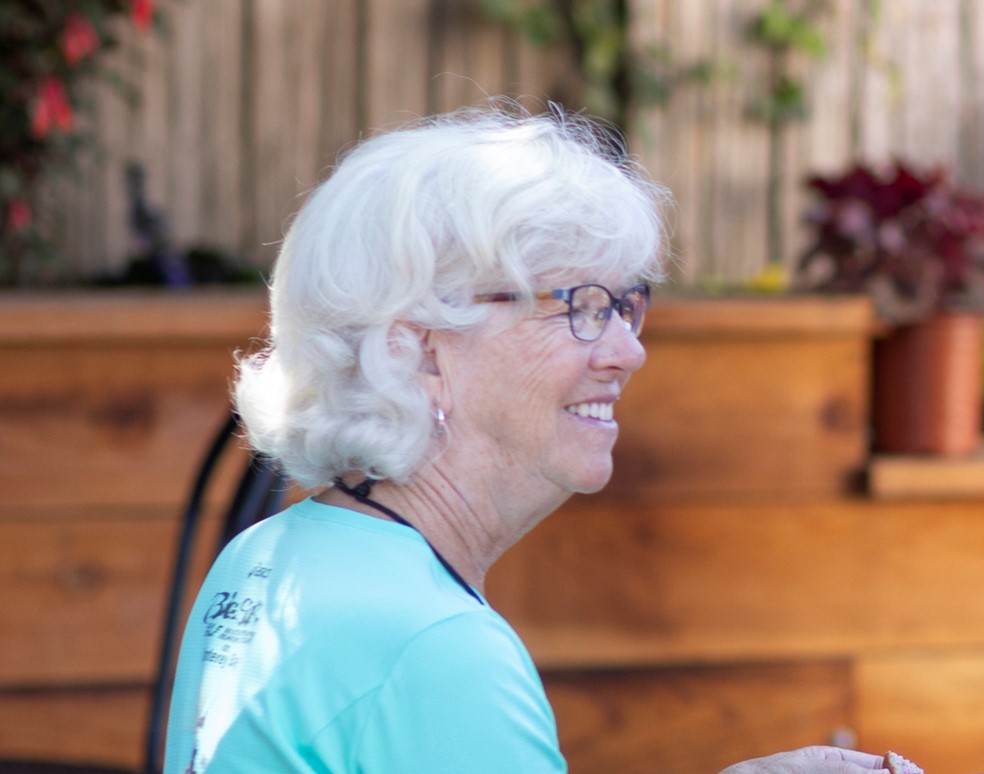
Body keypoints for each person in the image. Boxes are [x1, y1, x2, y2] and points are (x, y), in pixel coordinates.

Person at [164, 109, 911, 773]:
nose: (628, 350)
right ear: (419, 352)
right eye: (579, 306)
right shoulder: (437, 650)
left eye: (627, 304)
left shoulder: (268, 555)